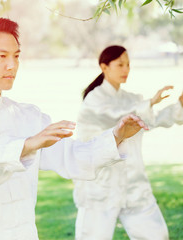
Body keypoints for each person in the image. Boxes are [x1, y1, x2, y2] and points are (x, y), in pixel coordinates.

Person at [0, 18, 148, 240]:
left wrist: (116, 136)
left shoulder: (28, 117)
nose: (12, 65)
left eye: (16, 56)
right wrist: (29, 144)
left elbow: (71, 157)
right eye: (2, 56)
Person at [74, 45, 183, 240]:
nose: (126, 69)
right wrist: (148, 103)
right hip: (101, 186)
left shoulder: (132, 99)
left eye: (128, 65)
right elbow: (115, 118)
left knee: (157, 235)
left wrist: (179, 107)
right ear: (104, 67)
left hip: (133, 184)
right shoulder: (94, 100)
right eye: (120, 65)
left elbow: (153, 120)